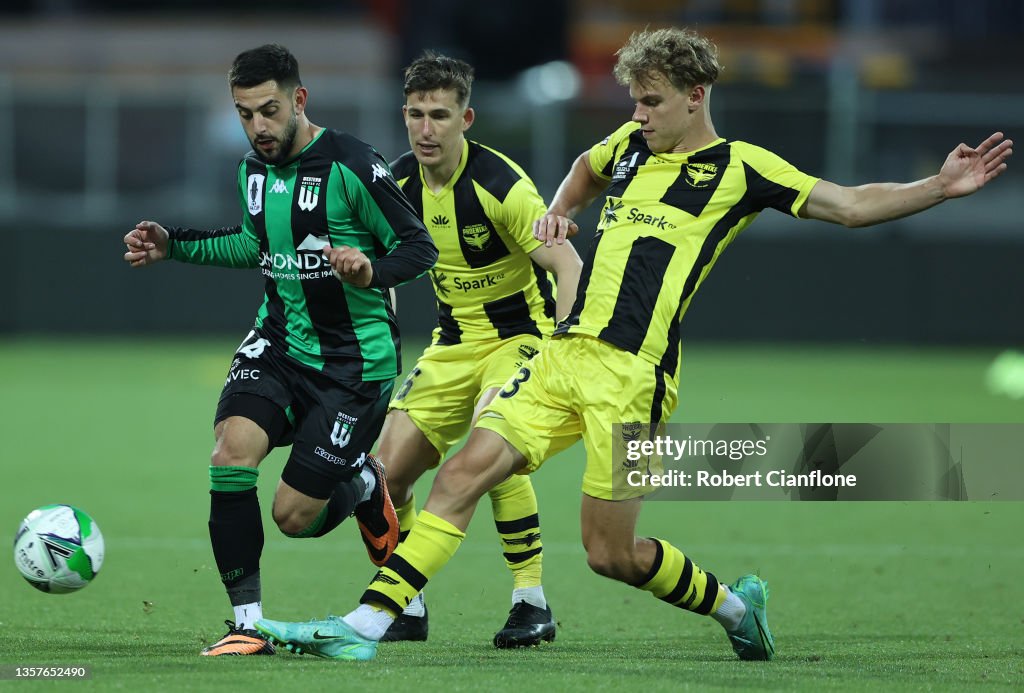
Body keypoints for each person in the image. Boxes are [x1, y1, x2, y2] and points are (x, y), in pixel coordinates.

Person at [253, 27, 1013, 661]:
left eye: (651, 101)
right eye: (634, 101)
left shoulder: (742, 168)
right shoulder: (631, 144)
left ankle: (734, 609)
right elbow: (585, 169)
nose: (639, 115)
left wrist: (935, 188)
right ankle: (367, 625)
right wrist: (555, 214)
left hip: (635, 377)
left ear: (696, 96)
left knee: (610, 554)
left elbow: (846, 204)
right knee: (463, 474)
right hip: (562, 353)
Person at [122, 44, 438, 656]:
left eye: (269, 110)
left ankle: (364, 487)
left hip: (355, 367)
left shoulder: (350, 164)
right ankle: (248, 623)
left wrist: (370, 270)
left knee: (293, 517)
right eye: (245, 114)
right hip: (278, 345)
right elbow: (254, 246)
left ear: (299, 99)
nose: (258, 128)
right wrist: (174, 244)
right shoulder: (253, 171)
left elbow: (418, 247)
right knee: (229, 453)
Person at [371, 52, 582, 647]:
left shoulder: (502, 187)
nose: (425, 129)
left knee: (493, 442)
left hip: (518, 340)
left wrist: (564, 348)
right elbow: (377, 269)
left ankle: (530, 601)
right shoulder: (397, 184)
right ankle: (405, 603)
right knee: (383, 479)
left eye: (440, 115)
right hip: (450, 344)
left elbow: (568, 265)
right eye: (415, 114)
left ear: (467, 118)